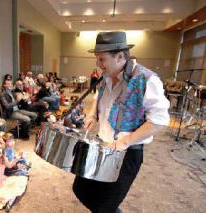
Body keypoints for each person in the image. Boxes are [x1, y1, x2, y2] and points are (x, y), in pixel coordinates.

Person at [73, 32, 170, 213]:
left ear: (120, 57)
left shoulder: (147, 79)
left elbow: (160, 121)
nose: (98, 64)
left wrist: (125, 141)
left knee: (105, 205)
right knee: (81, 189)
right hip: (102, 145)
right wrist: (92, 115)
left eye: (102, 59)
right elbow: (97, 97)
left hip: (127, 153)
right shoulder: (106, 77)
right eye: (97, 59)